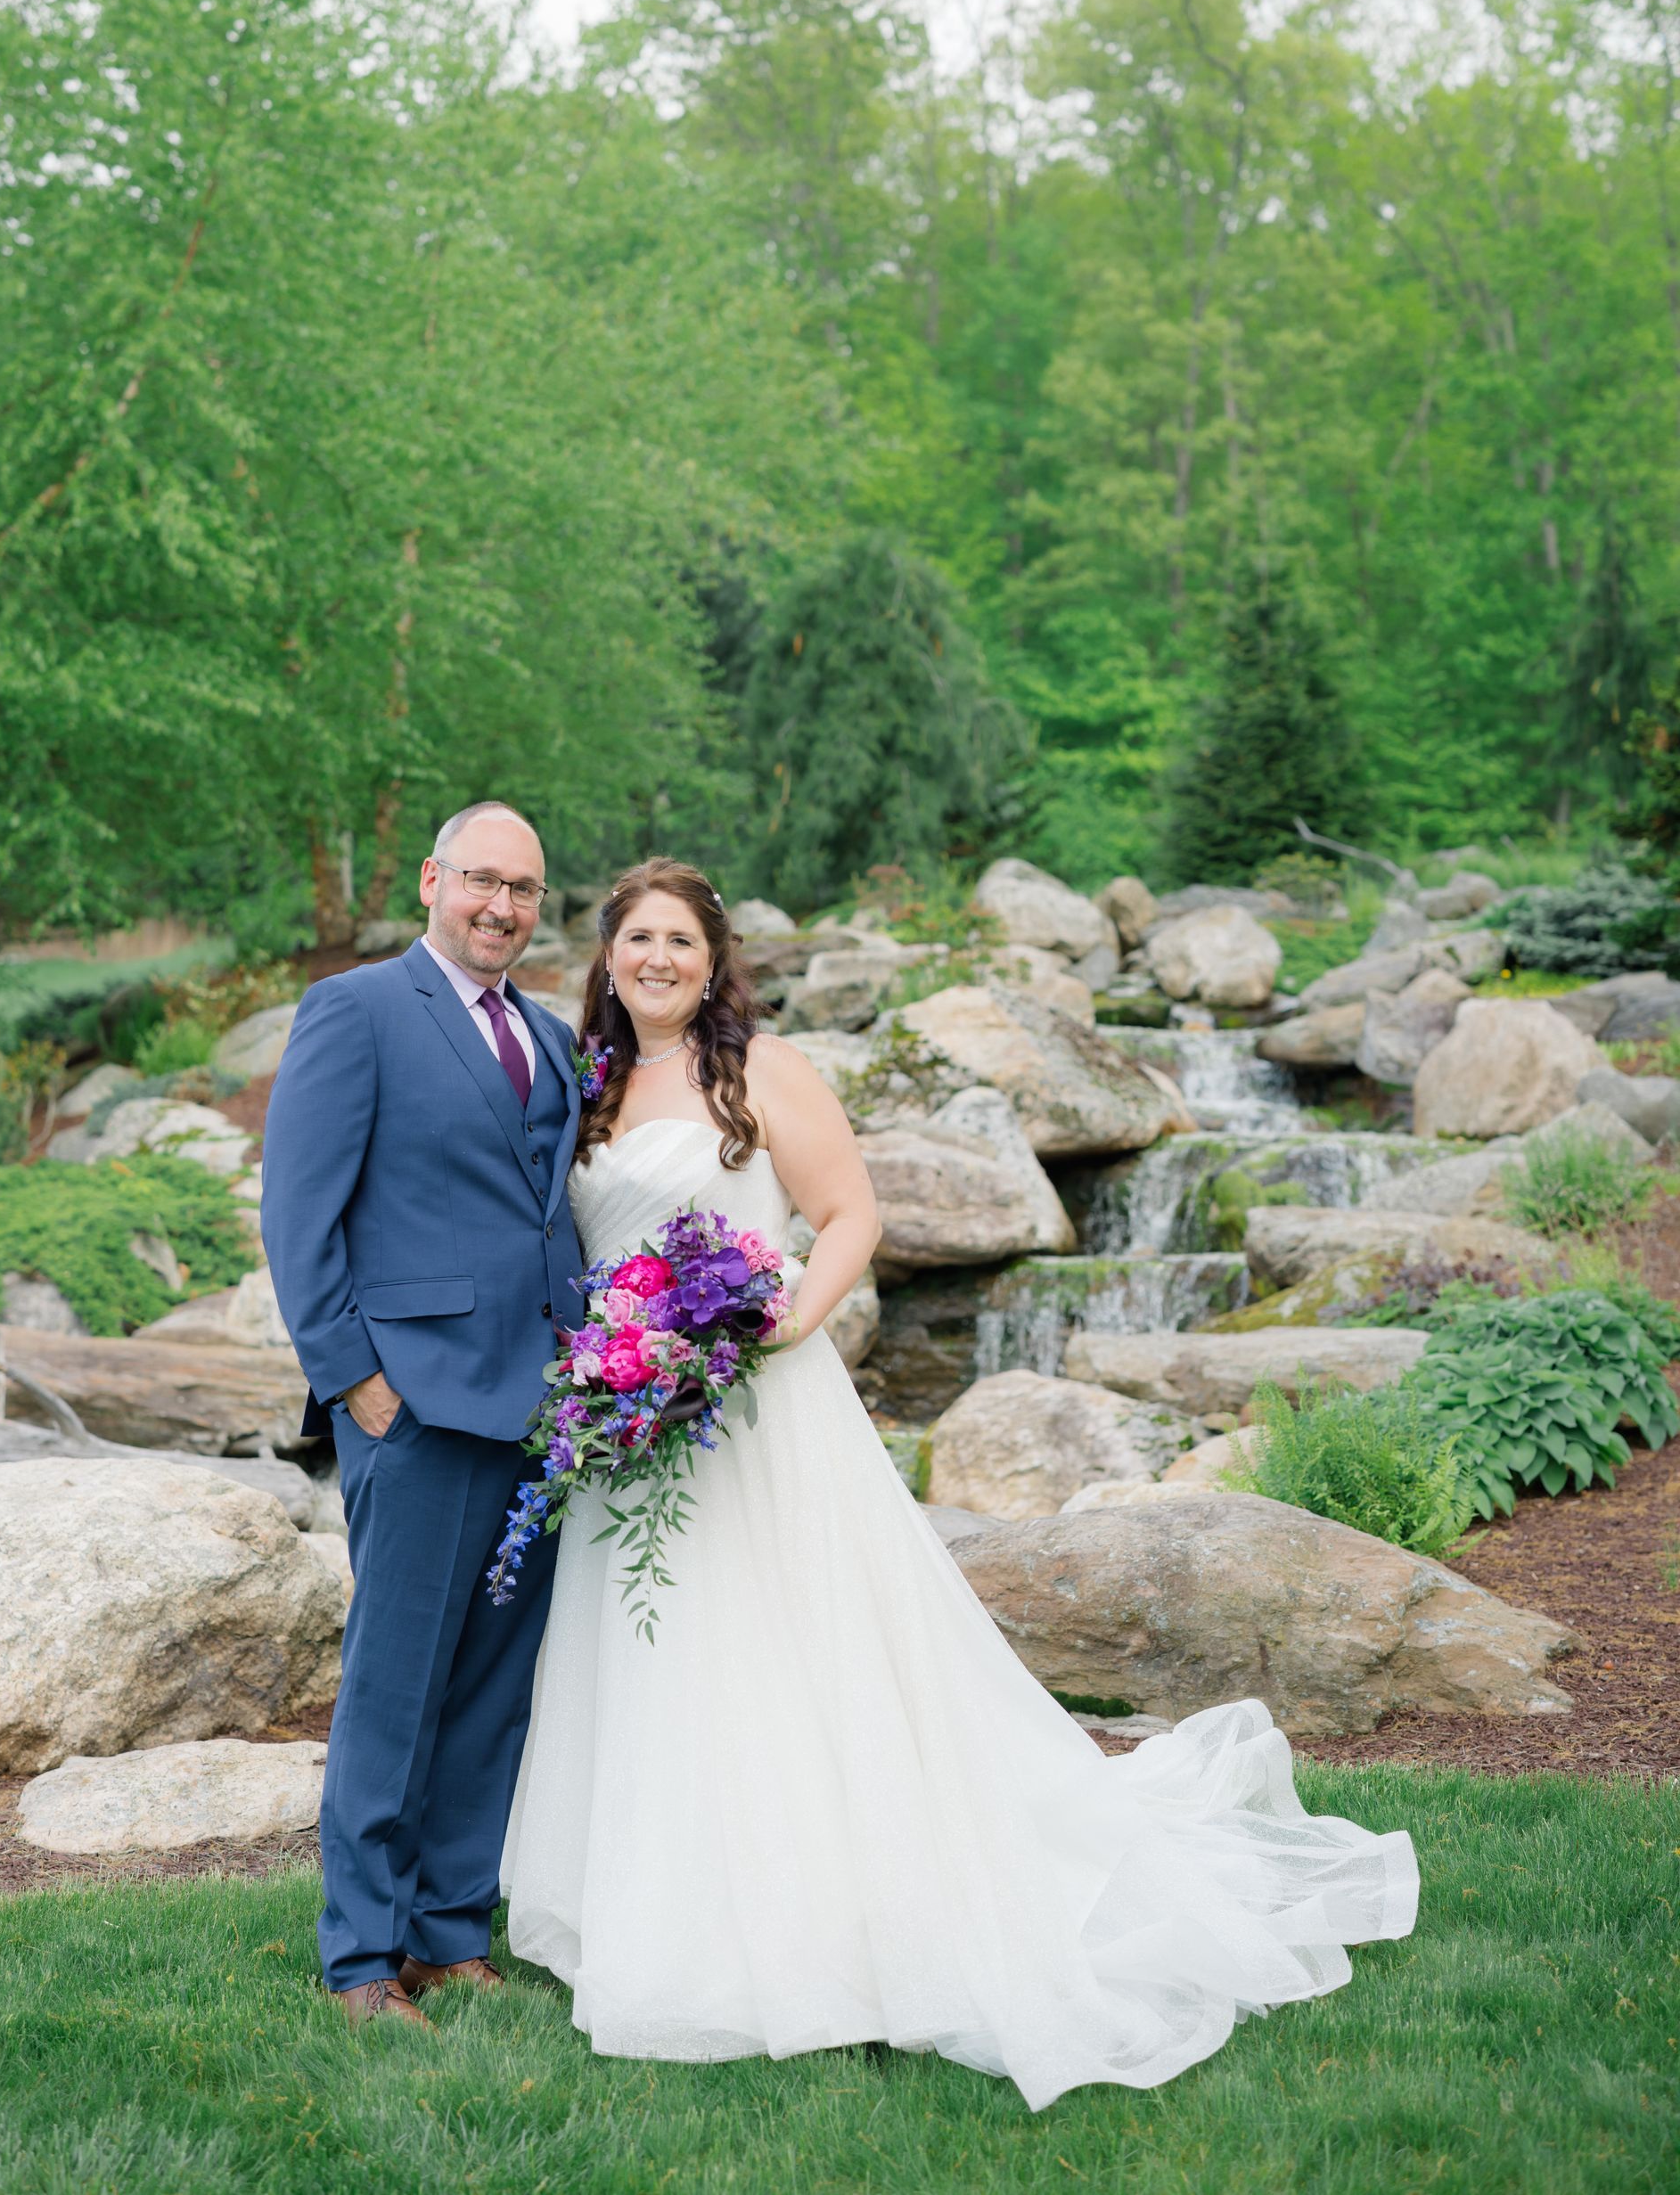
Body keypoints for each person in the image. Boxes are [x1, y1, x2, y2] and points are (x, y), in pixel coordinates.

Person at [500, 856, 1419, 2109]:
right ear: (607, 956)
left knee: (789, 1650)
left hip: (756, 1408)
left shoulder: (762, 1071)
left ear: (714, 961)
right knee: (659, 1651)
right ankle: (666, 1914)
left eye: (681, 940)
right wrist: (612, 1364)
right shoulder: (586, 1083)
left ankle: (831, 1924)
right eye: (638, 938)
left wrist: (779, 1325)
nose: (658, 957)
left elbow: (851, 1215)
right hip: (633, 1412)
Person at [263, 800, 585, 2027]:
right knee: (394, 1689)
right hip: (418, 1403)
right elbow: (300, 1213)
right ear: (432, 880)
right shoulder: (357, 1010)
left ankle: (453, 1931)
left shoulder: (549, 1037)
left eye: (524, 890)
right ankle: (360, 1956)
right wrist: (358, 1383)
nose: (502, 906)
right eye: (482, 882)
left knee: (492, 1690)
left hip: (544, 1412)